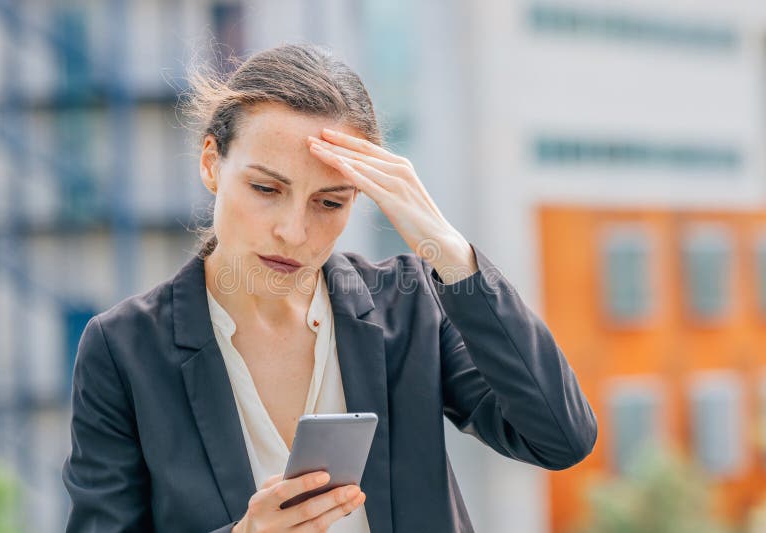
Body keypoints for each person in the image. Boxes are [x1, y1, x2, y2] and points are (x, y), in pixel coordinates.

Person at [61, 43, 598, 533]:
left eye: (330, 202)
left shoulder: (406, 306)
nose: (293, 232)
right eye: (266, 188)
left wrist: (449, 253)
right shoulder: (124, 349)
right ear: (210, 164)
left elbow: (559, 436)